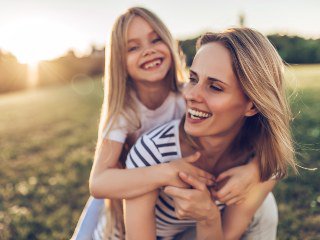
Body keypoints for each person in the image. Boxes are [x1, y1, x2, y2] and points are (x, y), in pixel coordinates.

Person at [71, 8, 261, 240]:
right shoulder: (124, 113)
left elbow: (259, 138)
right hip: (133, 199)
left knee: (262, 203)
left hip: (172, 206)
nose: (148, 51)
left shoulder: (189, 94)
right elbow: (99, 183)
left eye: (155, 39)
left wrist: (254, 170)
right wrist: (166, 172)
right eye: (133, 47)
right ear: (119, 61)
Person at [124, 28, 297, 240]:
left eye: (215, 87)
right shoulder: (152, 153)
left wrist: (208, 217)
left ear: (252, 106)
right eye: (193, 79)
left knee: (265, 206)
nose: (190, 95)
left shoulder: (260, 157)